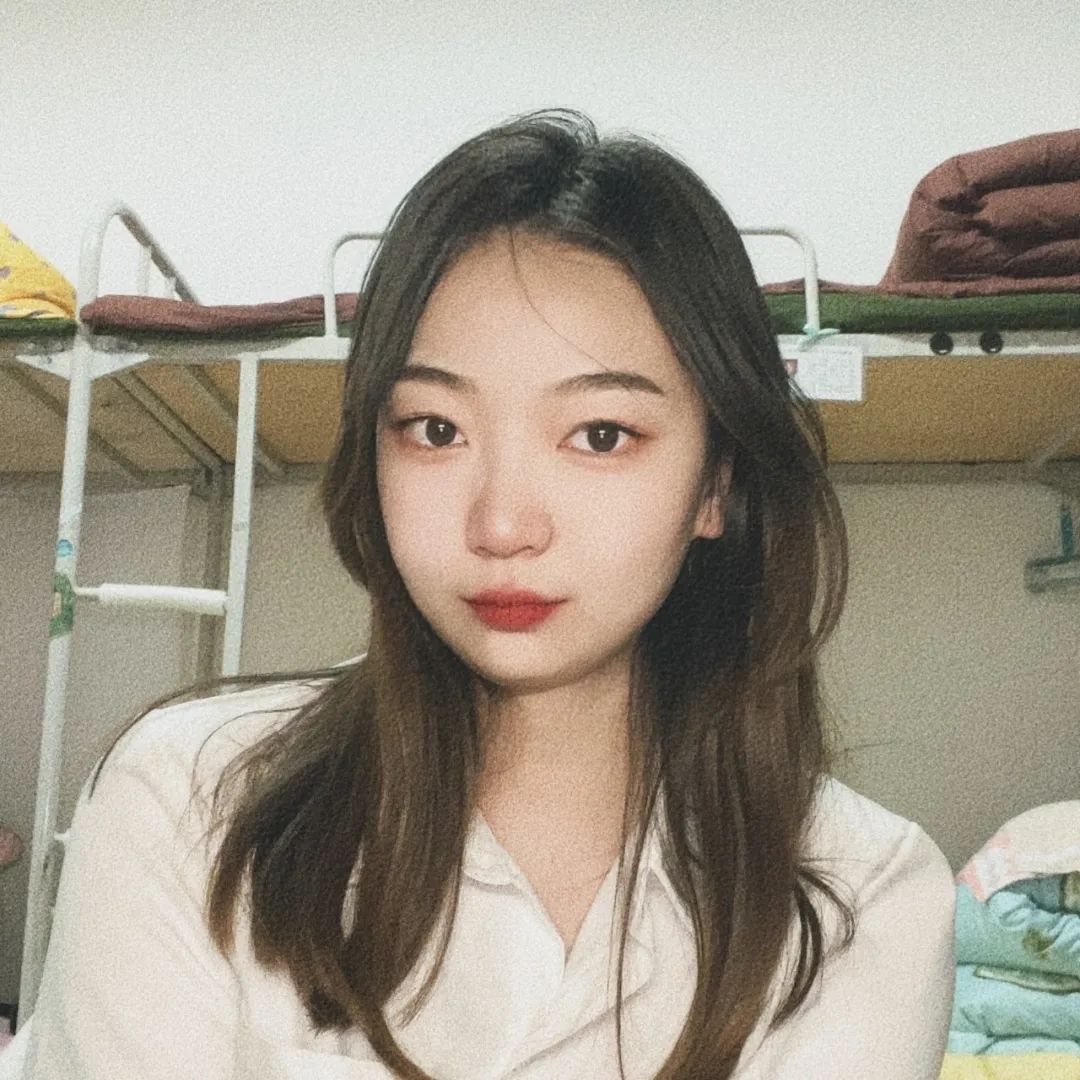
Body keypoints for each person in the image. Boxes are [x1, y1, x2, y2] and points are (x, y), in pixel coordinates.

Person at [11, 108, 956, 1079]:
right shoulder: (189, 802)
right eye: (435, 429)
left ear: (716, 484)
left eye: (600, 435)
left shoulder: (862, 897)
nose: (502, 525)